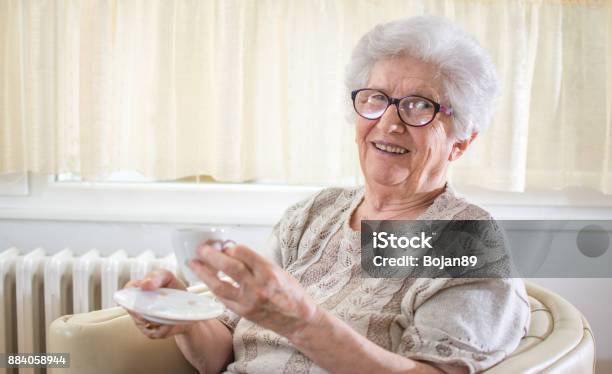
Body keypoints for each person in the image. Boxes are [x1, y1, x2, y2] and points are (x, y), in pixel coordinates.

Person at [126, 16, 530, 374]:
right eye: (376, 99)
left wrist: (300, 322)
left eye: (418, 105)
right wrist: (182, 316)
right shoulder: (313, 214)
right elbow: (223, 353)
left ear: (461, 141)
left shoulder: (468, 242)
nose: (389, 122)